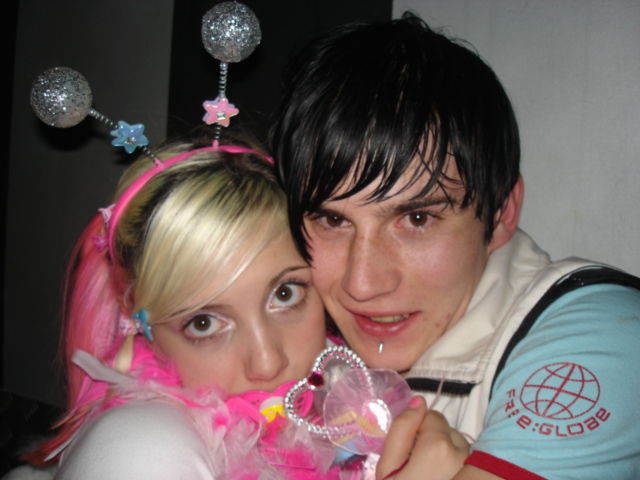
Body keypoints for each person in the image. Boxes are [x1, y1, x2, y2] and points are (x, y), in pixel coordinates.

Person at [271, 13, 640, 480]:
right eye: (333, 220)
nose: (362, 284)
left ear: (501, 213)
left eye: (417, 219)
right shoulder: (288, 351)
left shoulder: (607, 335)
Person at [21, 130, 344, 480]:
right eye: (203, 323)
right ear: (140, 323)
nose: (268, 363)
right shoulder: (141, 451)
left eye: (285, 294)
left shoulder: (355, 395)